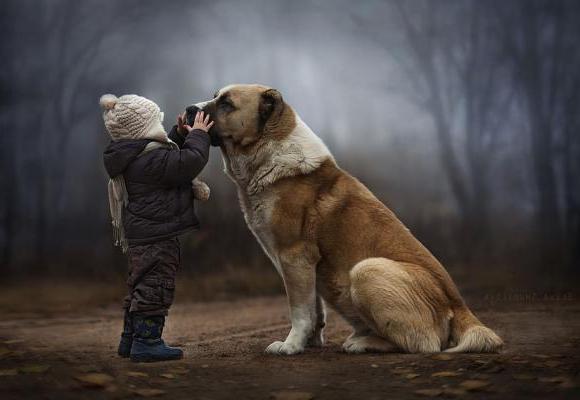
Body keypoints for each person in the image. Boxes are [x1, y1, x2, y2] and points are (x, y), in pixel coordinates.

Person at [100, 93, 213, 362]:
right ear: (144, 129)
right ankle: (147, 343)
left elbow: (168, 156)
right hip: (157, 235)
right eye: (157, 122)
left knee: (141, 285)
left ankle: (130, 339)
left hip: (144, 234)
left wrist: (181, 134)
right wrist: (199, 135)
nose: (161, 128)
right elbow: (189, 162)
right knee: (155, 286)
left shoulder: (136, 155)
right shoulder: (150, 161)